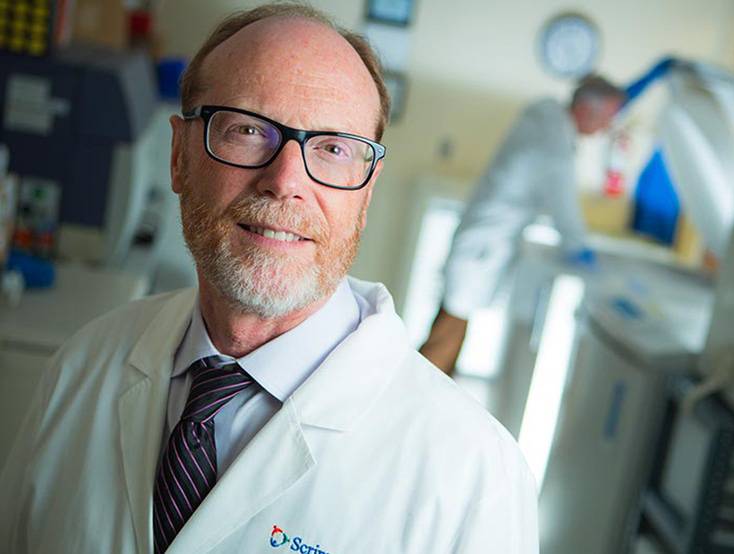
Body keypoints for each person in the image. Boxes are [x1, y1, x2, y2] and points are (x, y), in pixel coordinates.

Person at [0, 4, 537, 553]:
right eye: (248, 130)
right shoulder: (82, 367)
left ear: (367, 192)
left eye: (333, 149)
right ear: (180, 156)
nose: (285, 182)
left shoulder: (474, 481)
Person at [420, 77, 625, 375]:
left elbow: (597, 97)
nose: (605, 127)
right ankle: (419, 400)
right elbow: (564, 207)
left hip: (482, 239)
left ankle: (430, 395)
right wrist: (580, 249)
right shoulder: (554, 145)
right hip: (483, 247)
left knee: (450, 328)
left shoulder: (546, 113)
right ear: (585, 109)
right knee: (446, 335)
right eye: (606, 118)